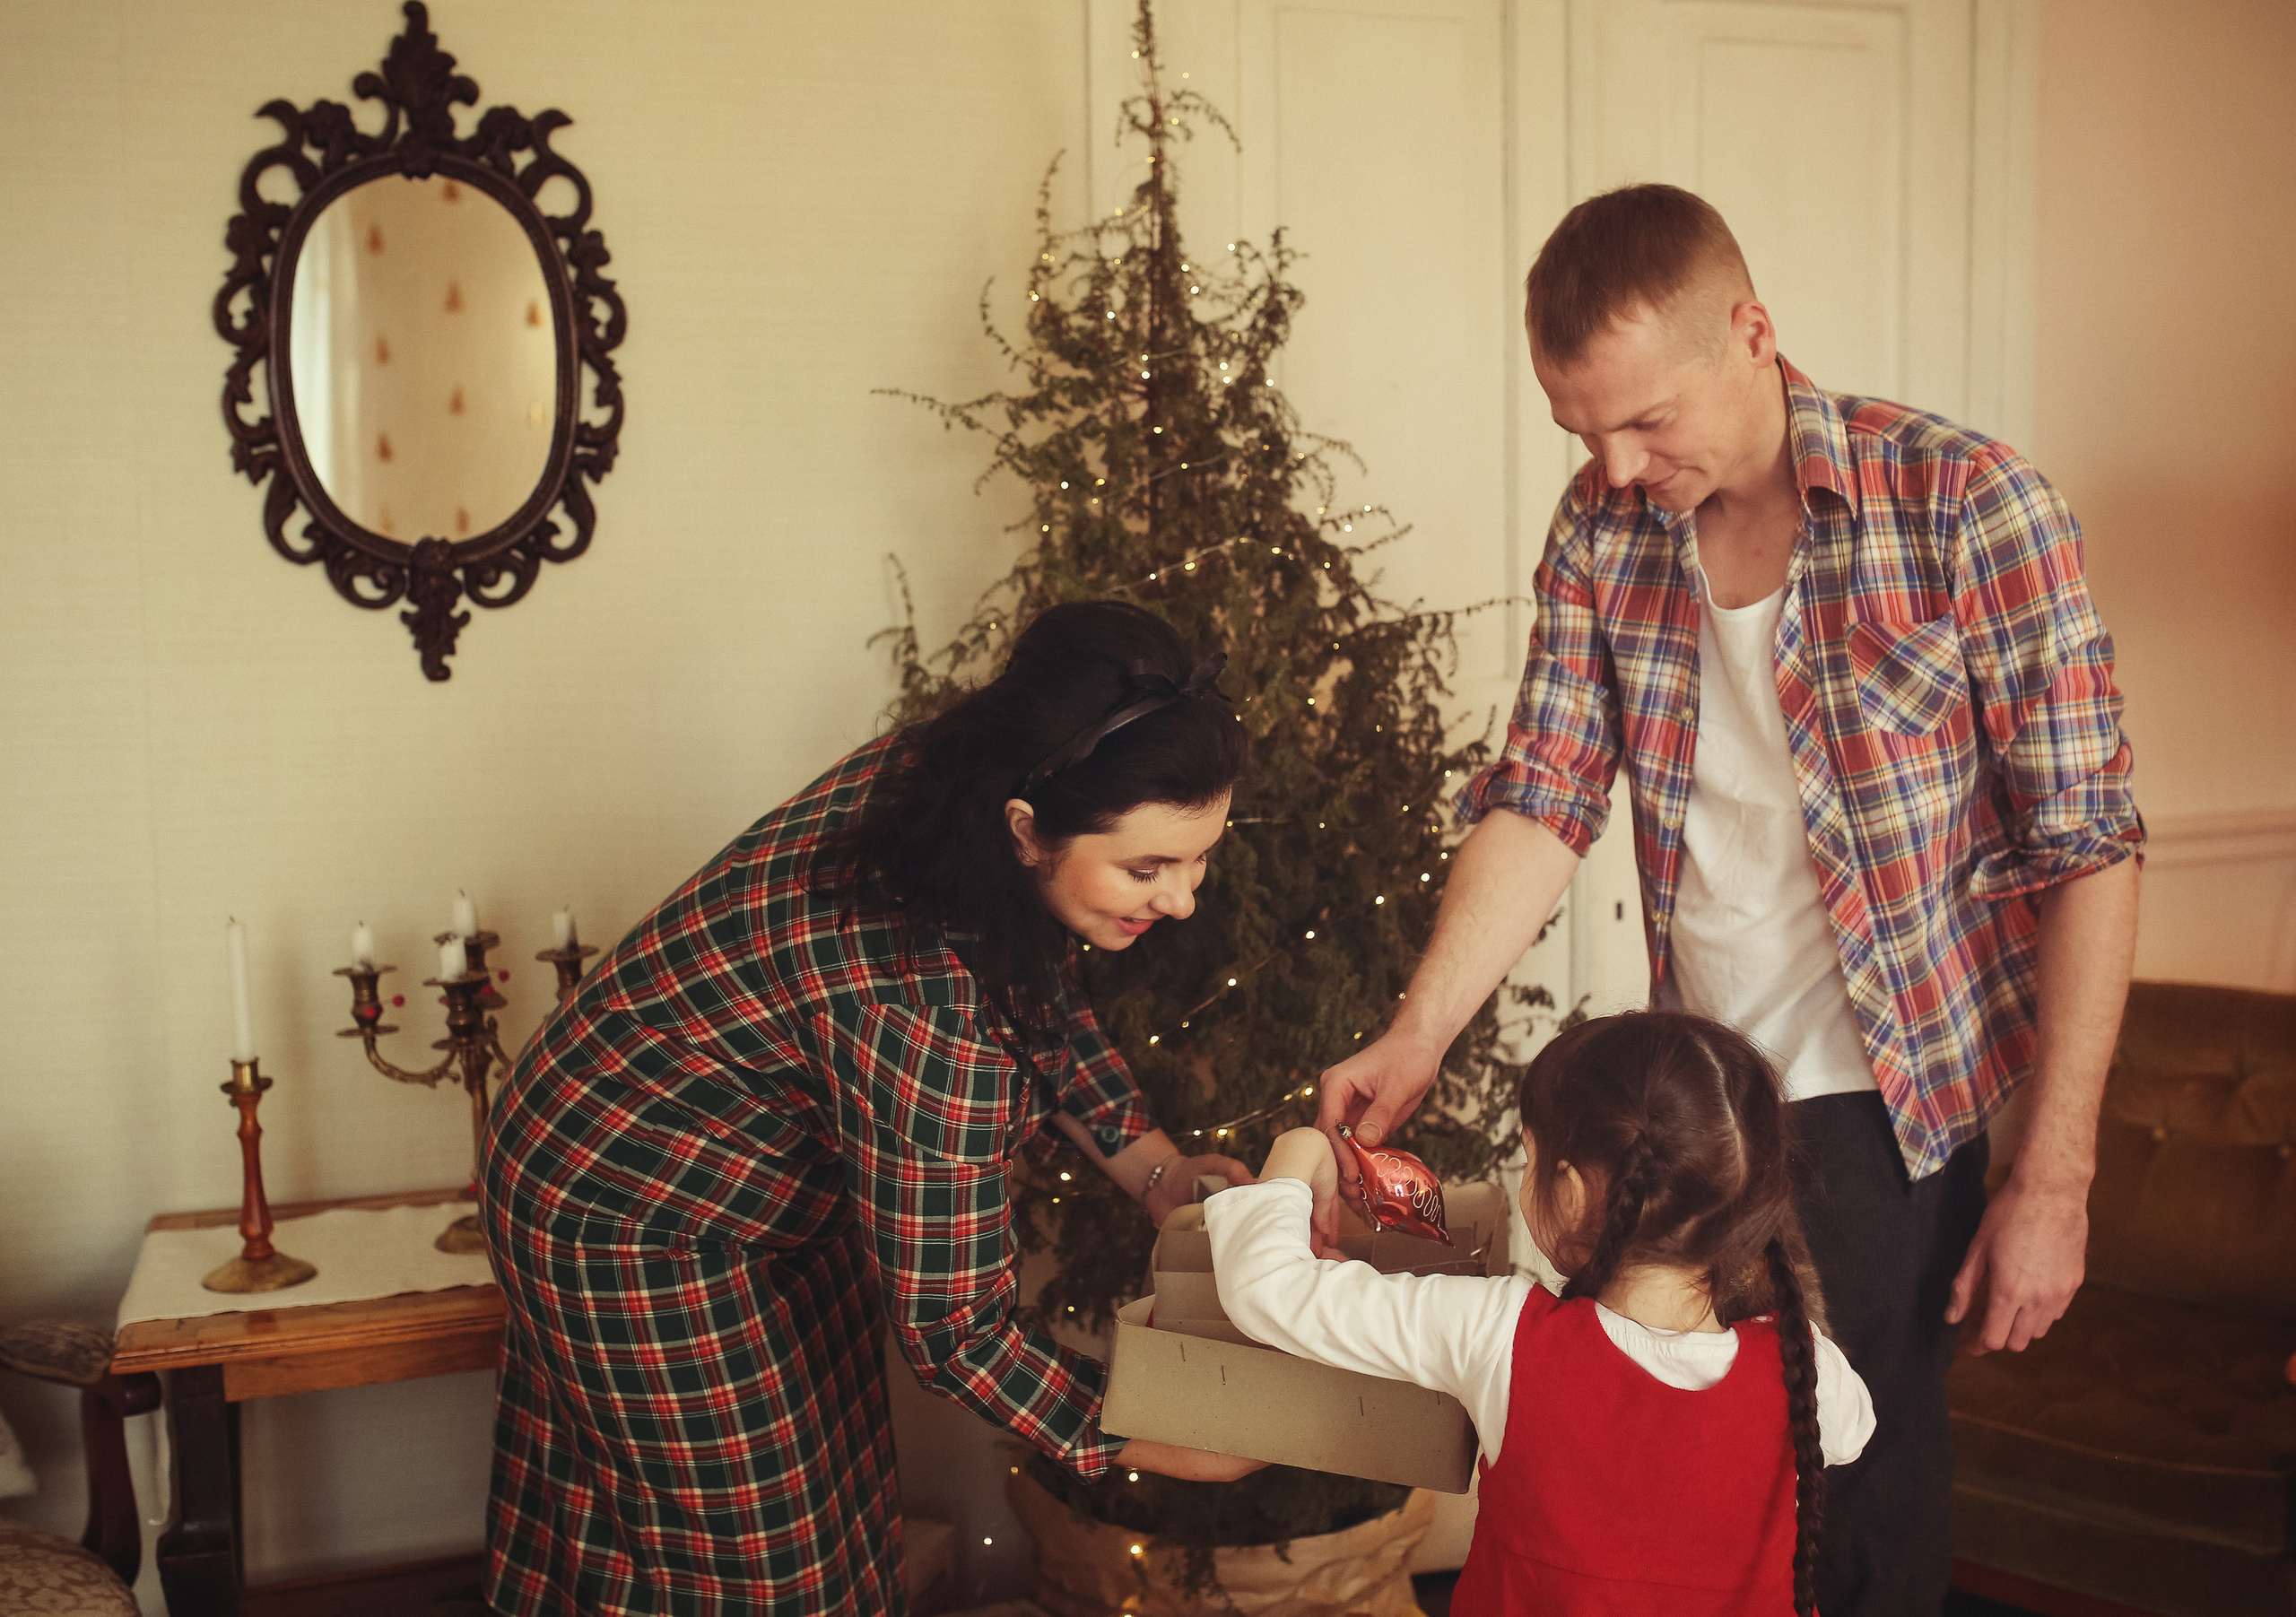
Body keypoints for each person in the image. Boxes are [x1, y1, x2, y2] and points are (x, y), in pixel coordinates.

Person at [1318, 184, 2141, 1615]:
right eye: (1581, 431)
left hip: (1889, 1112)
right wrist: (1417, 1032)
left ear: (1752, 334)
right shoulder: (1604, 526)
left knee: (1859, 1510)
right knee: (1683, 1500)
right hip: (1695, 1108)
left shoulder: (1967, 503)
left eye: (1646, 422)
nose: (1615, 466)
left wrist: (2055, 1173)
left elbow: (2087, 845)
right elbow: (1546, 793)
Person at [482, 601, 1264, 1617]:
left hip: (756, 1177)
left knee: (839, 1499)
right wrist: (1156, 1433)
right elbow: (957, 1333)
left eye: (1199, 856)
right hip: (621, 1206)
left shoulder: (971, 777)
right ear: (1027, 831)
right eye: (1146, 869)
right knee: (767, 1561)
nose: (1182, 898)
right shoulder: (921, 1012)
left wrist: (1157, 1169)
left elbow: (1029, 991)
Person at [1214, 1012, 1874, 1615]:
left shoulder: (1498, 1333)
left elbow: (1264, 1286)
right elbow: (1854, 1431)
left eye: (1531, 1160)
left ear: (1573, 1192)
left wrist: (1301, 1149)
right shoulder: (1807, 1368)